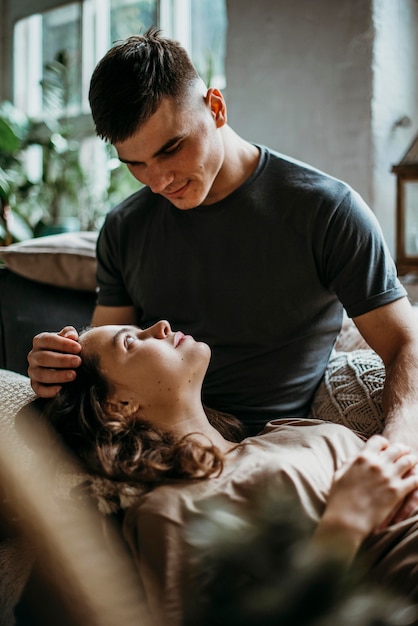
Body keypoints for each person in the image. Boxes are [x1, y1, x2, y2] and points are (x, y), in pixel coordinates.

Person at [28, 28, 418, 518]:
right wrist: (58, 365)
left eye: (170, 149)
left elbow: (406, 342)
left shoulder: (326, 210)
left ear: (216, 107)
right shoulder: (125, 227)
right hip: (156, 455)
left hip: (273, 457)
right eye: (136, 164)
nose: (158, 180)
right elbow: (106, 358)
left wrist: (401, 446)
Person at [38, 320, 418, 626]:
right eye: (132, 342)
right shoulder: (168, 511)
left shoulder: (289, 430)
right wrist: (344, 525)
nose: (161, 325)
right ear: (119, 405)